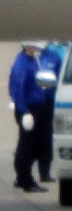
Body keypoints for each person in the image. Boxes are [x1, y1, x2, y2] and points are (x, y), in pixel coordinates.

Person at [8, 41, 49, 192]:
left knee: (34, 145)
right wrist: (24, 111)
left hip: (36, 107)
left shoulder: (32, 61)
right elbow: (18, 89)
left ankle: (23, 178)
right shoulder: (22, 64)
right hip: (28, 109)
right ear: (28, 47)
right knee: (26, 146)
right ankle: (25, 180)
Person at [36, 42, 64, 183]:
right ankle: (24, 175)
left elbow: (60, 80)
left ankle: (44, 172)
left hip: (48, 103)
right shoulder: (30, 57)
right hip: (33, 103)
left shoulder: (55, 57)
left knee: (46, 138)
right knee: (29, 139)